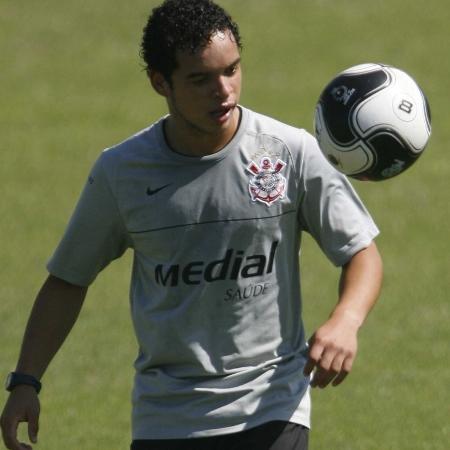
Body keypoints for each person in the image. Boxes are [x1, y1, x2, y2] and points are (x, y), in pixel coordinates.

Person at [0, 1, 383, 449]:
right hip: (168, 416)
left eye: (232, 70)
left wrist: (346, 320)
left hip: (273, 405)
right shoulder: (122, 172)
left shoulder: (289, 152)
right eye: (200, 79)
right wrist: (26, 380)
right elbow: (68, 280)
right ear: (160, 83)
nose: (224, 91)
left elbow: (361, 251)